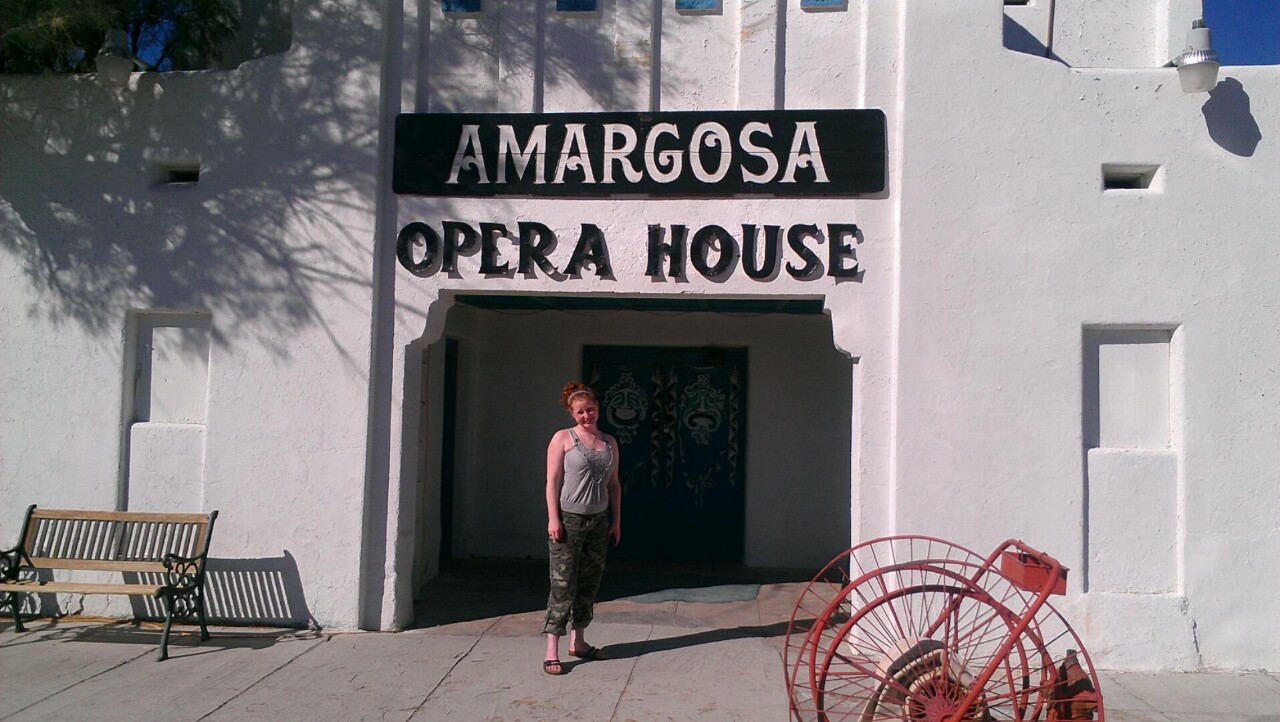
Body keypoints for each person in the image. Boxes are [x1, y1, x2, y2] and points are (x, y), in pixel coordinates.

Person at [542, 382, 622, 675]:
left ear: (598, 408)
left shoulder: (609, 442)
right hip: (569, 520)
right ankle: (552, 649)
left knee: (589, 582)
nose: (586, 416)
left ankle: (578, 641)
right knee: (562, 584)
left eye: (590, 409)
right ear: (572, 413)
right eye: (580, 412)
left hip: (598, 520)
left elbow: (614, 485)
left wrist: (616, 520)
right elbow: (552, 482)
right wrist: (553, 518)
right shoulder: (563, 438)